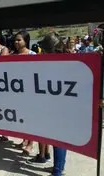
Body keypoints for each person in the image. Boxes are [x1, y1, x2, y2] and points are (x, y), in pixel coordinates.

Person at [38, 32, 67, 176]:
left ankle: (57, 171)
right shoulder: (62, 61)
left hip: (58, 107)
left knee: (58, 139)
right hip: (55, 106)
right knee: (57, 139)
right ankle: (58, 167)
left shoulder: (57, 64)